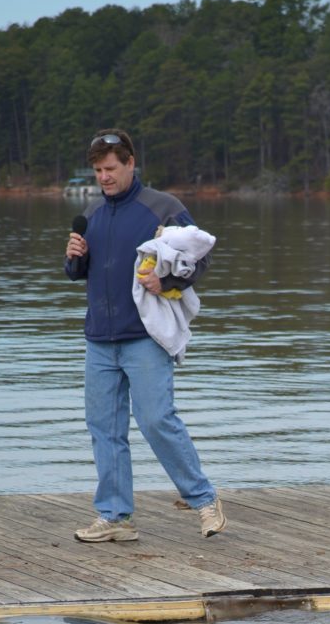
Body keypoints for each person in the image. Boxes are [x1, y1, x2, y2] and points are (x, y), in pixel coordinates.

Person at [64, 129, 226, 543]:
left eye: (111, 169)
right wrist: (74, 259)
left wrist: (165, 278)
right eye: (98, 170)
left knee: (156, 420)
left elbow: (199, 259)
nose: (104, 177)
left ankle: (205, 501)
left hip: (144, 338)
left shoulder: (162, 208)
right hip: (99, 339)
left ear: (131, 163)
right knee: (104, 427)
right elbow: (81, 274)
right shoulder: (94, 216)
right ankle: (116, 518)